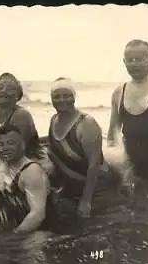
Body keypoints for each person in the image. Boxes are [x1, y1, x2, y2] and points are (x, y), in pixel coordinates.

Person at [46, 78, 116, 220]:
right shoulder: (54, 120)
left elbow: (94, 165)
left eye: (67, 95)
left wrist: (86, 201)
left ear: (74, 96)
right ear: (51, 99)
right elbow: (55, 143)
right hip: (73, 186)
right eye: (57, 96)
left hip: (96, 188)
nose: (62, 100)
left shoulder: (86, 124)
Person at [107, 39, 148, 206]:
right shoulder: (119, 92)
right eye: (130, 60)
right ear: (124, 61)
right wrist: (122, 167)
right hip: (133, 166)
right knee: (138, 215)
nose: (134, 64)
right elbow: (113, 133)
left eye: (139, 59)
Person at [0, 125, 50, 233]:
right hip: (12, 227)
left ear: (22, 145)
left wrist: (14, 236)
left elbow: (38, 215)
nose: (4, 148)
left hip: (37, 233)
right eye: (0, 144)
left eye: (10, 143)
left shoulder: (31, 172)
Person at [0, 72, 42, 159]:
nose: (3, 90)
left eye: (9, 88)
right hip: (3, 162)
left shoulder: (21, 115)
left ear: (17, 96)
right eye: (0, 87)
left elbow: (16, 151)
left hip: (26, 162)